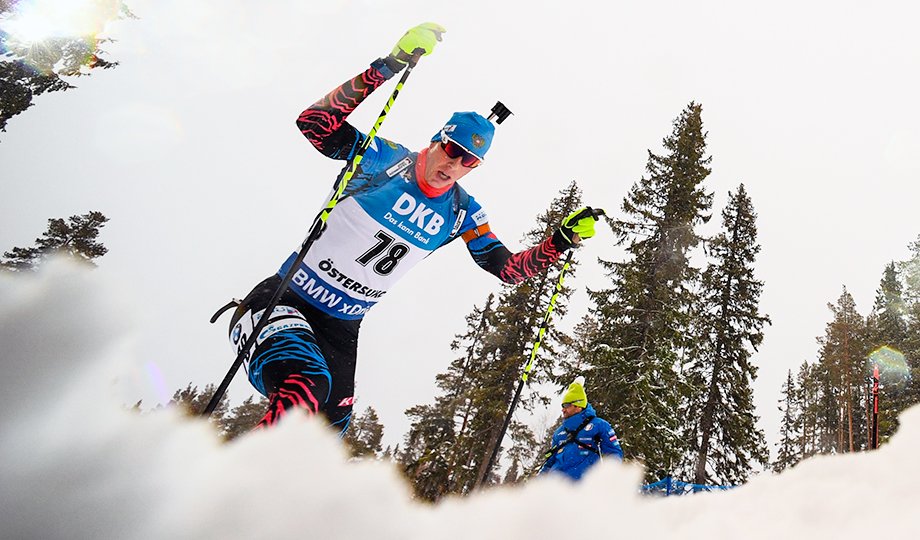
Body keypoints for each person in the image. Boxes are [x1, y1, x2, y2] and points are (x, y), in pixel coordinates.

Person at [226, 23, 603, 434]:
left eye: (469, 162)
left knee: (329, 429)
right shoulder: (382, 161)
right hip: (286, 299)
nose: (454, 166)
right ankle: (227, 484)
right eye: (453, 151)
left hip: (342, 327)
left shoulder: (462, 212)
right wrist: (387, 67)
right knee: (305, 391)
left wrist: (560, 241)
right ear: (438, 139)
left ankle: (267, 494)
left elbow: (507, 269)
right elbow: (314, 123)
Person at [540, 377, 624, 481]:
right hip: (555, 488)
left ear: (578, 405)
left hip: (582, 488)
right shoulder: (559, 433)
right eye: (562, 405)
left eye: (566, 405)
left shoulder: (599, 425)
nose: (563, 409)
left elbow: (614, 453)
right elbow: (549, 463)